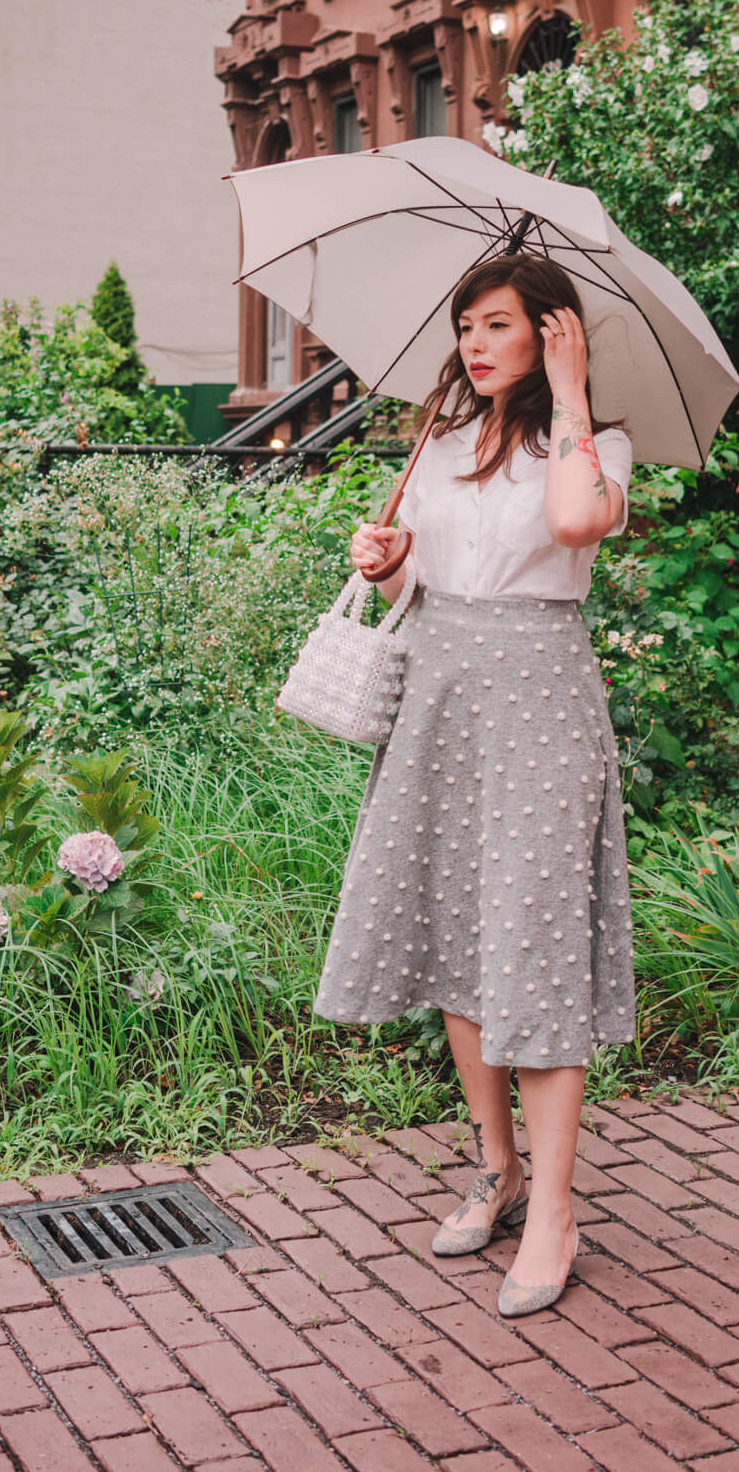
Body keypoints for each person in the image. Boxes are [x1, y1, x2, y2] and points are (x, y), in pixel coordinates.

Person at [314, 252, 635, 1318]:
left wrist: (577, 393)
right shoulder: (440, 442)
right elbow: (431, 583)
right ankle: (494, 1166)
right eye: (465, 325)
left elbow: (578, 527)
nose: (473, 343)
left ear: (550, 332)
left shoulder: (589, 442)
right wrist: (388, 561)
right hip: (441, 701)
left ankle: (553, 1209)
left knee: (534, 948)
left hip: (541, 706)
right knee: (458, 933)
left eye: (496, 324)